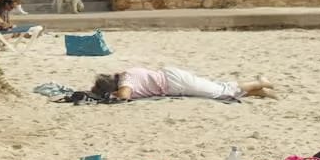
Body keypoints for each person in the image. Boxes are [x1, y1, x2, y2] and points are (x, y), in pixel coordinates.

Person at [89, 67, 276, 102]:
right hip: (171, 78)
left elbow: (124, 96)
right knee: (214, 88)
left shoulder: (125, 80)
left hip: (173, 82)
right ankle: (257, 92)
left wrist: (110, 97)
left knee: (219, 91)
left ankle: (259, 82)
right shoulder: (126, 74)